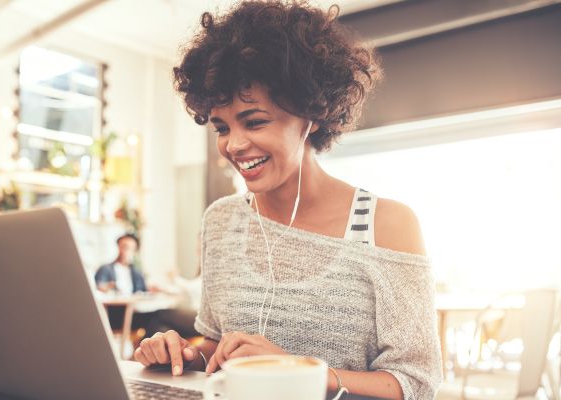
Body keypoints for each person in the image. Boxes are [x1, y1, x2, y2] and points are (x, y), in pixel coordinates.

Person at [134, 2, 442, 399]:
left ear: (312, 113)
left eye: (255, 121)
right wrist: (184, 356)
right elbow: (217, 347)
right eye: (222, 127)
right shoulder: (220, 221)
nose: (235, 145)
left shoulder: (387, 224)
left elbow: (416, 383)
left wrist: (298, 371)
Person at [95, 233, 198, 339]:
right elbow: (98, 288)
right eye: (124, 247)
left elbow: (143, 291)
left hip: (134, 314)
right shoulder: (106, 269)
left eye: (131, 248)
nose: (126, 251)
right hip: (115, 315)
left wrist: (153, 290)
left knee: (159, 323)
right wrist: (107, 287)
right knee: (160, 318)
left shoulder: (136, 272)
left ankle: (147, 350)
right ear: (118, 247)